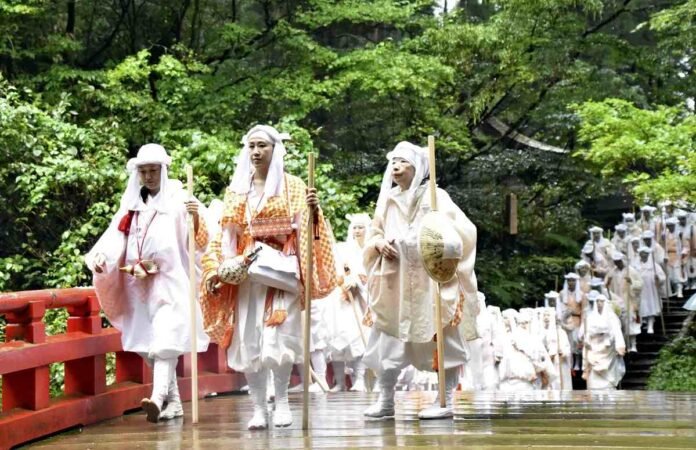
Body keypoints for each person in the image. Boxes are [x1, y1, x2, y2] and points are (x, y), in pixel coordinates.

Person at [199, 125, 337, 430]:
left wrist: (314, 213)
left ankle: (283, 402)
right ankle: (259, 408)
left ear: (275, 149)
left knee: (279, 338)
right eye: (251, 146)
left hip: (282, 272)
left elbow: (309, 233)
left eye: (262, 145)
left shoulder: (295, 187)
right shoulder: (237, 192)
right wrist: (218, 269)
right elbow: (225, 237)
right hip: (248, 275)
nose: (256, 152)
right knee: (249, 341)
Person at [85, 144, 211, 423]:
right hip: (138, 283)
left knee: (166, 338)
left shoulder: (181, 200)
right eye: (144, 171)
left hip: (170, 280)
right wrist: (100, 259)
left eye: (154, 170)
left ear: (163, 170)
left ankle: (156, 398)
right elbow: (114, 238)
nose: (149, 176)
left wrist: (197, 218)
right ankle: (174, 403)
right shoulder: (132, 205)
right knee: (148, 344)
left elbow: (204, 241)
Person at [362, 141, 478, 420]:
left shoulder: (436, 197)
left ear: (418, 168)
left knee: (441, 336)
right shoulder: (387, 202)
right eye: (393, 162)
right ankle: (385, 398)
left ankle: (444, 399)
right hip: (396, 282)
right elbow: (373, 234)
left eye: (403, 162)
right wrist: (379, 245)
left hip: (431, 281)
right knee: (388, 337)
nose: (396, 167)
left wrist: (437, 243)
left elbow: (463, 232)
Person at [325, 213, 372, 392]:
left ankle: (360, 378)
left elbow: (371, 276)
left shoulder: (370, 251)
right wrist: (345, 282)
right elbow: (336, 271)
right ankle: (340, 381)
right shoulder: (343, 249)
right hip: (342, 301)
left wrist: (358, 283)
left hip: (362, 302)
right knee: (338, 338)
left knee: (360, 338)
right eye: (355, 227)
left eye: (361, 227)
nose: (357, 231)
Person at [581, 294, 626, 390]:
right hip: (593, 348)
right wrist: (586, 339)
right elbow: (584, 332)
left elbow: (617, 332)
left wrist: (620, 345)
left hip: (607, 349)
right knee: (593, 380)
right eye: (597, 301)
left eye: (601, 301)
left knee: (608, 380)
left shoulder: (612, 317)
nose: (599, 304)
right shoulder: (590, 317)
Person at [605, 252, 643, 352]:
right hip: (616, 300)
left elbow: (640, 284)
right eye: (616, 261)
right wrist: (607, 283)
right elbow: (606, 285)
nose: (618, 263)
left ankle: (633, 344)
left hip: (628, 300)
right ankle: (625, 344)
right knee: (620, 323)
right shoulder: (612, 272)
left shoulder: (631, 271)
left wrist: (632, 282)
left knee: (630, 321)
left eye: (619, 261)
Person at [637, 247, 665, 334]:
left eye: (645, 253)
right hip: (641, 290)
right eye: (641, 253)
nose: (643, 255)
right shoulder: (636, 266)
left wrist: (658, 278)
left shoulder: (654, 266)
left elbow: (662, 277)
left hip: (651, 290)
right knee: (642, 306)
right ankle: (644, 322)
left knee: (651, 306)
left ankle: (650, 325)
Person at [558, 273, 584, 372]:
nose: (571, 282)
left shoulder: (581, 294)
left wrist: (576, 313)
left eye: (573, 280)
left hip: (576, 320)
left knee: (576, 342)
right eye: (569, 281)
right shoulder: (561, 293)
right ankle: (569, 363)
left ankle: (577, 362)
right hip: (565, 320)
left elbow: (583, 309)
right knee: (567, 342)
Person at [664, 218, 687, 298]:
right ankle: (675, 290)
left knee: (677, 275)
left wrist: (683, 253)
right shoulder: (665, 234)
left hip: (677, 256)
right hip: (668, 257)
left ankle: (680, 291)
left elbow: (684, 245)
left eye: (672, 226)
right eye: (669, 226)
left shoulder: (679, 234)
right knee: (670, 275)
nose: (670, 227)